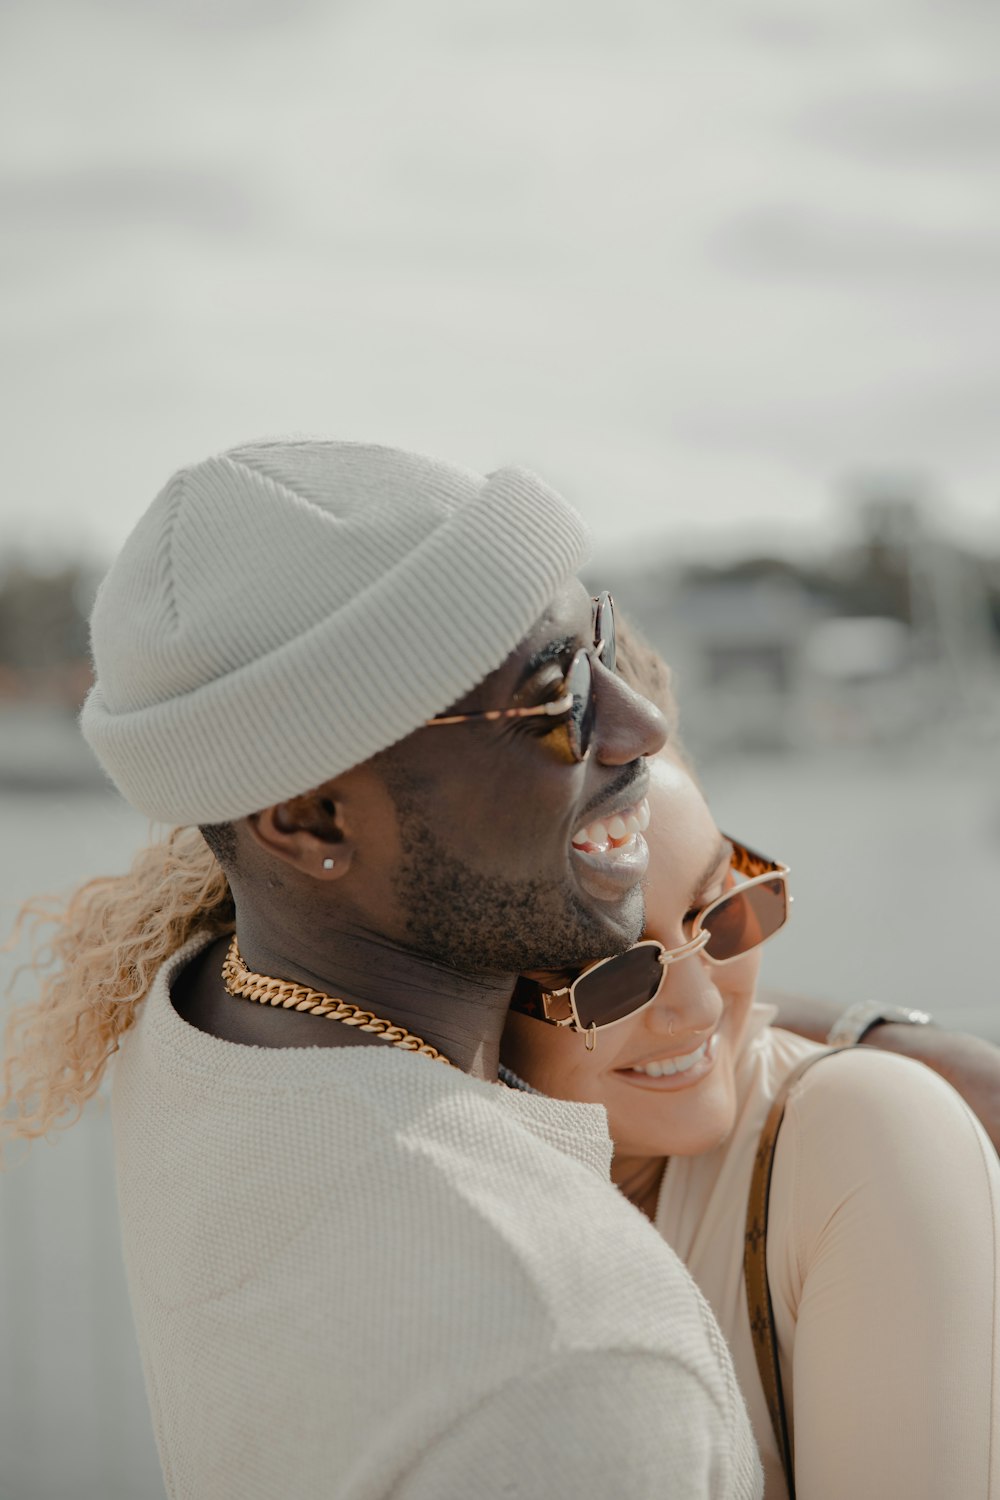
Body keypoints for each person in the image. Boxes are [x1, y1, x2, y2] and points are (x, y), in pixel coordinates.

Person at [1, 441, 763, 1500]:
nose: (640, 723)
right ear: (311, 819)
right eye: (552, 699)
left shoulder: (210, 1017)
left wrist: (851, 1031)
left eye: (602, 647)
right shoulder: (569, 1346)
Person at [502, 713, 1000, 1497]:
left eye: (722, 914)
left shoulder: (866, 1138)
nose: (699, 1006)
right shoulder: (395, 1199)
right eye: (615, 976)